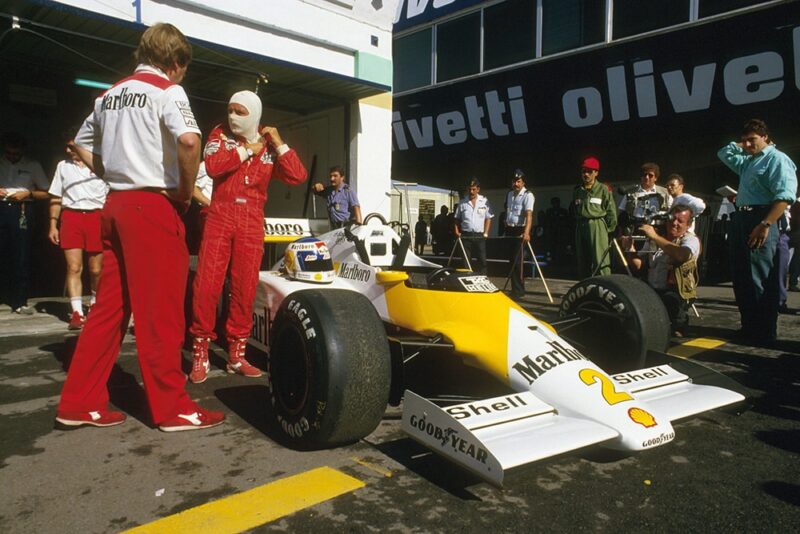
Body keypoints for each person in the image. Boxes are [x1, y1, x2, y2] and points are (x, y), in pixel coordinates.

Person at [56, 23, 225, 431]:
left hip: (113, 205)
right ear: (175, 63)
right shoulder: (169, 91)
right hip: (153, 207)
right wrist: (184, 192)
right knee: (162, 312)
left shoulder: (108, 96)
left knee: (109, 311)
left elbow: (80, 143)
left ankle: (79, 402)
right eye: (183, 67)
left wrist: (114, 173)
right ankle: (172, 408)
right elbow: (189, 141)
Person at [189, 90, 307, 384]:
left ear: (254, 114)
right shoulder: (219, 134)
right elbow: (214, 167)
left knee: (244, 286)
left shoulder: (269, 144)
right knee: (207, 283)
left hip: (252, 220)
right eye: (230, 110)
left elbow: (297, 176)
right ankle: (200, 351)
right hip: (220, 215)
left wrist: (278, 143)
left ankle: (236, 355)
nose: (232, 116)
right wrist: (245, 151)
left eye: (240, 112)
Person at [717, 118, 797, 347]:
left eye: (752, 140)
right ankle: (749, 327)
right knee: (742, 276)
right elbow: (724, 153)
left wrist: (765, 224)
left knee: (759, 276)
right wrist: (740, 145)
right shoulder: (749, 161)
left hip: (762, 217)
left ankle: (764, 332)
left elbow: (784, 196)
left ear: (766, 138)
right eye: (745, 141)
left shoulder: (778, 159)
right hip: (742, 216)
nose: (748, 145)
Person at [47, 142, 108, 330]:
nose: (68, 151)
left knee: (96, 269)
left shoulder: (101, 164)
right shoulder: (63, 166)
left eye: (72, 147)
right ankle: (76, 312)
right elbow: (56, 197)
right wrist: (53, 225)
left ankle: (95, 304)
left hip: (96, 217)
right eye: (66, 147)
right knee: (73, 267)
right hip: (72, 217)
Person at [627, 204, 700, 337]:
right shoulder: (656, 237)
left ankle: (679, 322)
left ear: (688, 225)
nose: (674, 223)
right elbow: (638, 265)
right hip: (652, 289)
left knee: (671, 318)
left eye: (680, 221)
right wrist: (629, 249)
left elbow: (681, 255)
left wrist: (654, 236)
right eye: (672, 219)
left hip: (674, 292)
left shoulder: (690, 240)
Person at [0, 132, 49, 315]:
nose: (12, 156)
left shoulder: (32, 165)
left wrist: (28, 193)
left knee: (21, 255)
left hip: (22, 208)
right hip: (1, 206)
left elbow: (47, 192)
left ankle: (19, 301)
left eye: (16, 153)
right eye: (9, 153)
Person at [572, 157, 617, 278]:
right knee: (582, 260)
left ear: (596, 173)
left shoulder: (603, 189)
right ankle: (585, 287)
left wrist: (608, 230)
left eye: (589, 171)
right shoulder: (578, 190)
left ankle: (606, 285)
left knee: (600, 259)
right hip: (581, 226)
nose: (586, 174)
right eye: (583, 171)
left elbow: (611, 212)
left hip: (597, 225)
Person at [503, 169, 534, 299]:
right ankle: (514, 289)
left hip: (520, 231)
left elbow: (529, 216)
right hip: (510, 230)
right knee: (511, 261)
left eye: (518, 181)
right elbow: (507, 210)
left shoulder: (528, 195)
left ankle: (519, 290)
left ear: (523, 182)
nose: (516, 184)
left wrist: (526, 233)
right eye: (514, 181)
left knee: (518, 263)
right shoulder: (509, 194)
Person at [453, 178, 493, 275]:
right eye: (470, 189)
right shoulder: (462, 202)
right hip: (466, 235)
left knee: (482, 260)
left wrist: (486, 232)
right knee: (466, 260)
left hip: (480, 235)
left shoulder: (484, 201)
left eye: (474, 189)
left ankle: (483, 280)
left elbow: (489, 217)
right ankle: (468, 279)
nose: (471, 191)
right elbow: (456, 219)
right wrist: (456, 231)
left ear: (478, 189)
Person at [618, 162, 672, 226]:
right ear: (641, 177)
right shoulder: (631, 192)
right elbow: (621, 212)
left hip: (657, 229)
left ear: (656, 178)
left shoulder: (665, 192)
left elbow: (671, 212)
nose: (647, 177)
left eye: (650, 175)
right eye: (644, 174)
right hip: (635, 228)